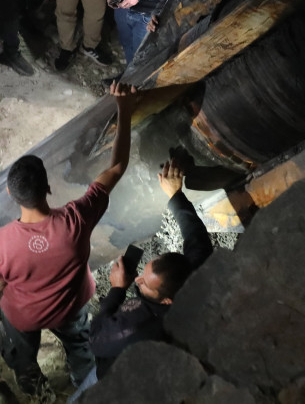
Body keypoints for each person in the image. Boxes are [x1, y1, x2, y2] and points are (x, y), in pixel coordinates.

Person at [0, 82, 139, 393]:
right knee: (81, 343)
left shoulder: (0, 240)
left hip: (24, 315)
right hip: (71, 306)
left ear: (10, 194)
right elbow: (117, 168)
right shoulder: (76, 218)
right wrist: (124, 108)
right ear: (49, 188)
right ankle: (85, 383)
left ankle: (30, 379)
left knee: (20, 346)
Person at [86, 159, 212, 382]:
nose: (137, 279)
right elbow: (196, 237)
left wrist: (117, 290)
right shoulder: (192, 275)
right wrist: (176, 195)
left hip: (115, 380)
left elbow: (95, 340)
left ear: (166, 302)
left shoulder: (142, 324)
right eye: (144, 273)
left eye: (145, 283)